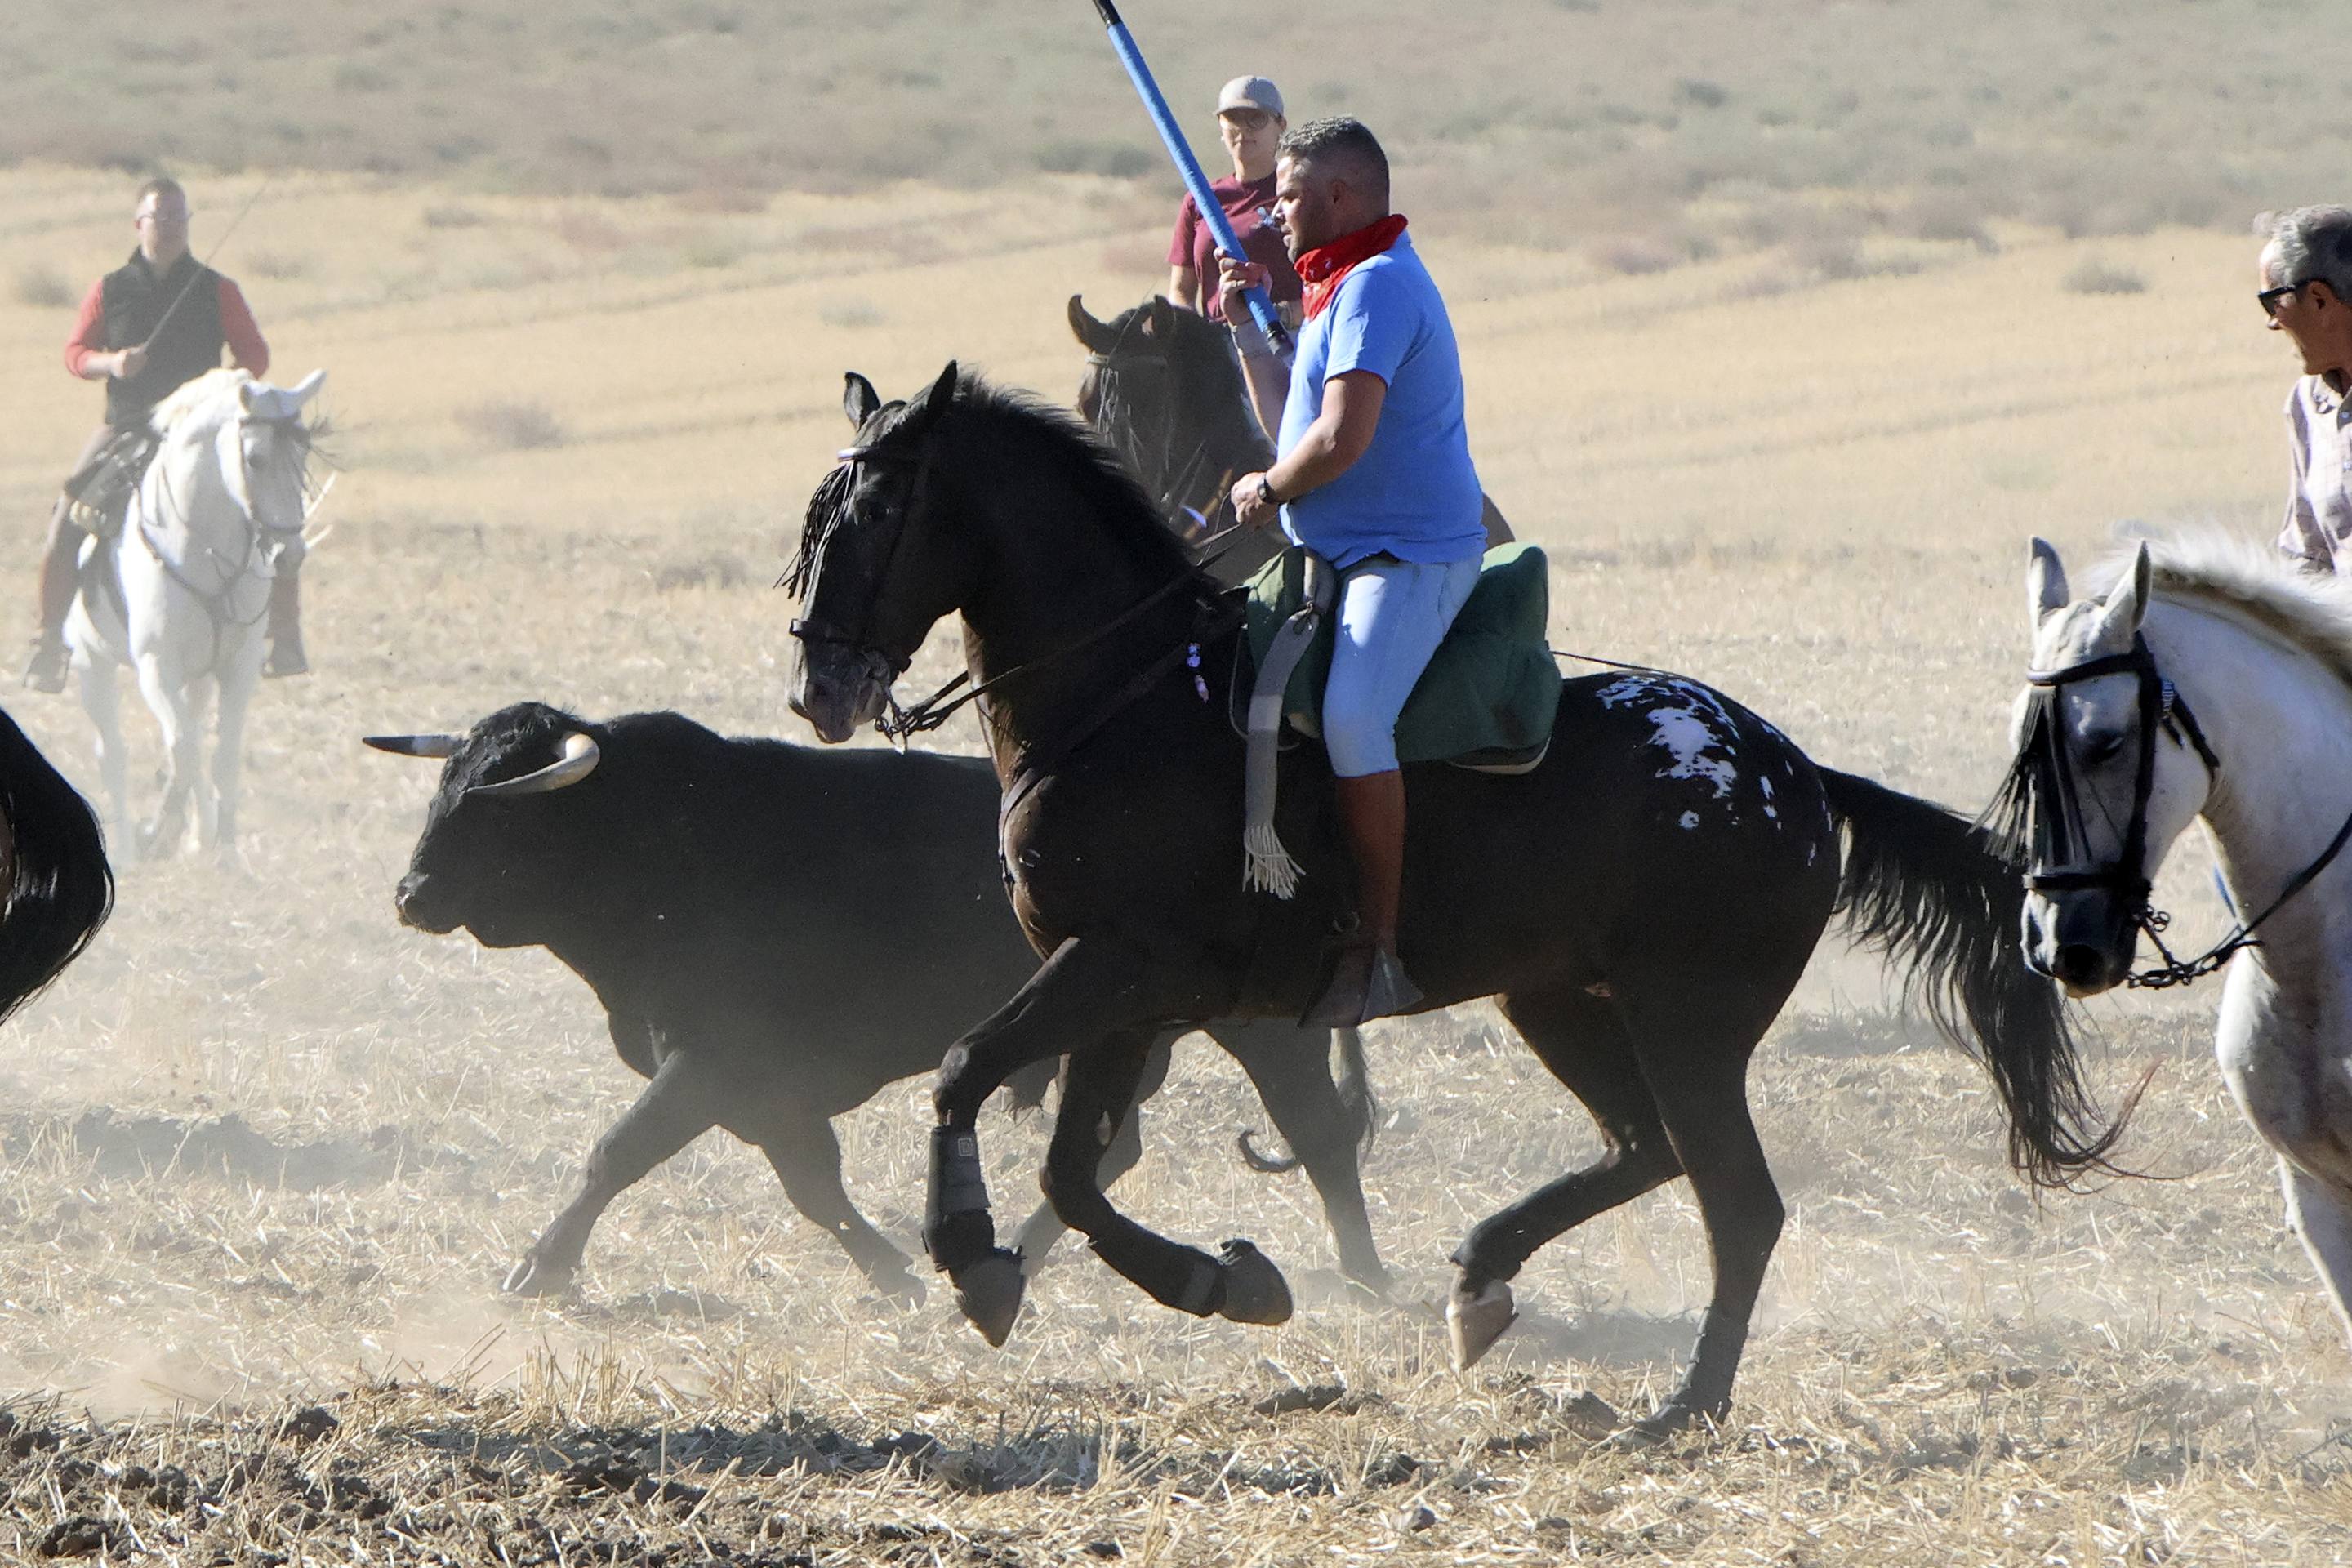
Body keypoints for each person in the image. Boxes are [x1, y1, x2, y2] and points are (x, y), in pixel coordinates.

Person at [1218, 117, 1487, 1026]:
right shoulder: (1337, 288)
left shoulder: (1376, 288)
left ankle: (1379, 945)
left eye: (1289, 197)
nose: (1274, 213)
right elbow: (1295, 429)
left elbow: (1336, 444)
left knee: (1353, 716)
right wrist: (1249, 340)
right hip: (1329, 552)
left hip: (1403, 558)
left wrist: (1264, 487)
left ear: (1341, 196)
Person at [29, 175, 305, 693]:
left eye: (181, 217)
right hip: (128, 425)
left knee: (278, 510)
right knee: (66, 516)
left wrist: (223, 387)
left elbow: (255, 356)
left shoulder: (218, 289)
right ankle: (49, 644)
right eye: (162, 217)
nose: (173, 227)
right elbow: (75, 355)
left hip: (200, 429)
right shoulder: (110, 288)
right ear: (140, 224)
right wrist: (112, 362)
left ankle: (284, 638)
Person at [1167, 75, 1303, 327]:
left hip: (1288, 337)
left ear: (1281, 125)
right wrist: (1185, 333)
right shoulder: (1201, 200)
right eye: (1233, 119)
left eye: (1256, 119)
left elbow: (1329, 283)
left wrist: (1285, 316)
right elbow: (1181, 291)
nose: (1243, 129)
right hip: (1219, 349)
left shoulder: (1298, 193)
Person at [2263, 206, 2352, 575]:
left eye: (2273, 301)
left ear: (2318, 298)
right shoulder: (2306, 404)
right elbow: (2307, 559)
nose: (2272, 322)